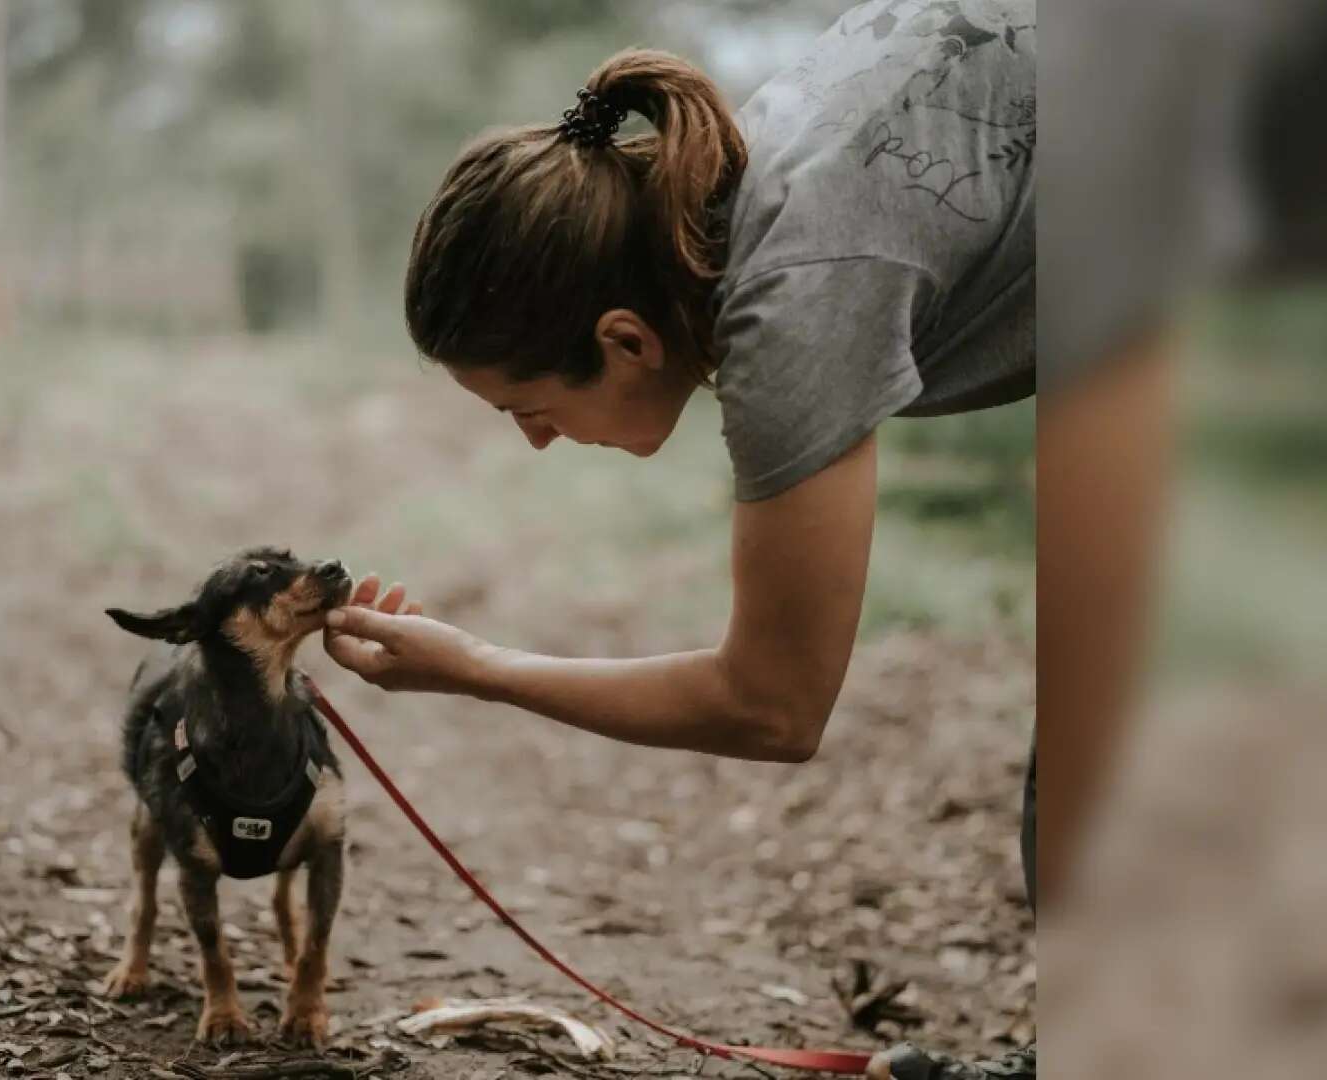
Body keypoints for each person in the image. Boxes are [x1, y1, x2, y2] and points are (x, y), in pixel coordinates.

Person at [322, 4, 1036, 1076]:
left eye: (528, 405)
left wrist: (479, 670)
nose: (537, 442)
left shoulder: (795, 293)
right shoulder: (750, 184)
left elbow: (775, 703)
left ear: (624, 339)